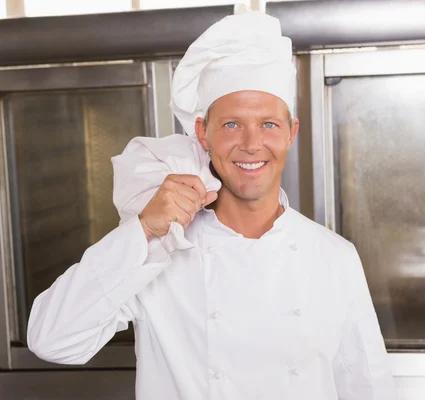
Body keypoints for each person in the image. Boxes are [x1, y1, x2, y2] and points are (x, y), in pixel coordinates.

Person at [27, 11, 395, 400]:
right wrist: (143, 231)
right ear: (202, 133)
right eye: (232, 124)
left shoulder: (334, 257)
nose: (252, 144)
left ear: (291, 132)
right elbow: (51, 340)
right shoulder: (160, 251)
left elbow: (368, 387)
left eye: (269, 124)